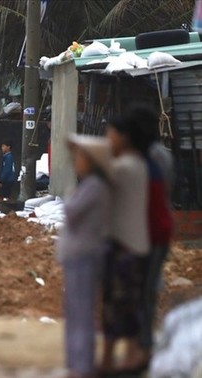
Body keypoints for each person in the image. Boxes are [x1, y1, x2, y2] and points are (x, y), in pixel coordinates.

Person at [57, 134, 113, 378]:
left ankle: (82, 365)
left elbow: (72, 212)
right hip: (79, 256)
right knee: (75, 311)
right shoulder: (90, 185)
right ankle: (76, 362)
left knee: (81, 311)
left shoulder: (95, 187)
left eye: (80, 157)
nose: (75, 161)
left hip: (85, 256)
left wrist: (70, 195)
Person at [100, 115, 150, 375]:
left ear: (124, 137)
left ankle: (126, 355)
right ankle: (117, 355)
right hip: (130, 244)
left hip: (124, 247)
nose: (108, 140)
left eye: (111, 135)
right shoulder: (136, 164)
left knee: (119, 303)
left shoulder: (125, 167)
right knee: (123, 302)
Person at [127, 104, 174, 366]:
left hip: (147, 232)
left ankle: (143, 346)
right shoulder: (163, 156)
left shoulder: (143, 160)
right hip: (159, 230)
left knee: (140, 290)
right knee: (147, 288)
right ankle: (144, 341)